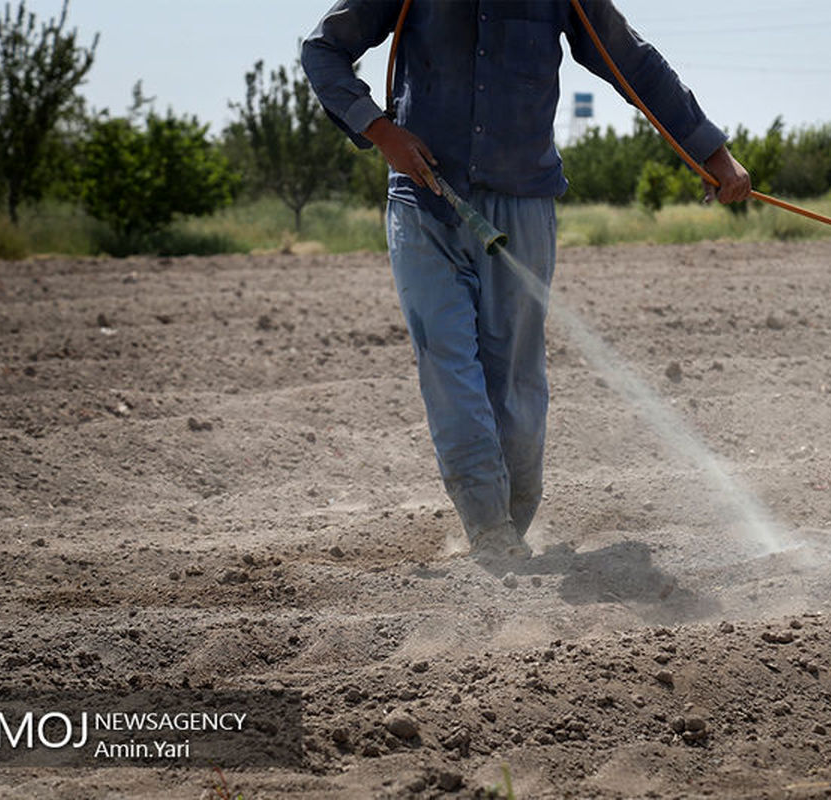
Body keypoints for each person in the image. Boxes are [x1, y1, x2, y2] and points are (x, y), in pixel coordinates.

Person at [302, 0, 751, 564]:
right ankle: (488, 528)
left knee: (514, 376)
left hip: (524, 206)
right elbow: (323, 49)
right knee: (446, 358)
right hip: (424, 203)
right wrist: (379, 129)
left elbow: (632, 63)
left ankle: (514, 518)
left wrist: (710, 151)